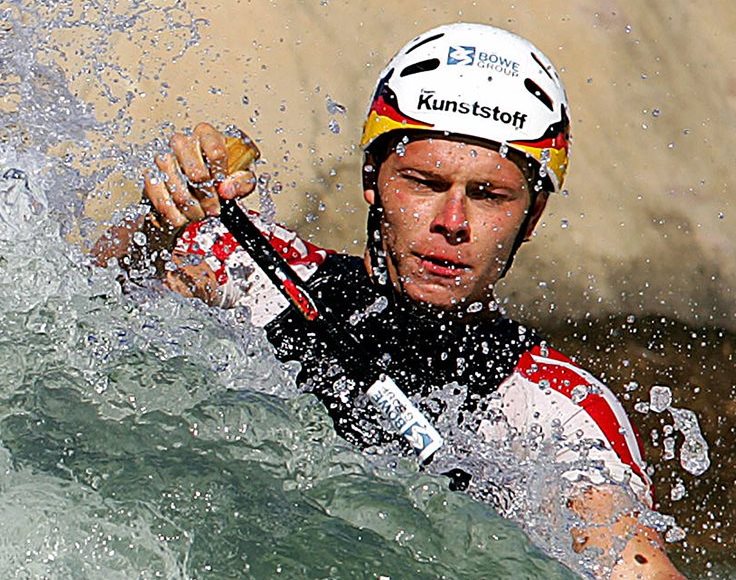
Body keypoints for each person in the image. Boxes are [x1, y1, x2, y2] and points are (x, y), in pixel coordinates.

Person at [94, 22, 684, 578]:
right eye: (425, 184)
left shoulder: (557, 413)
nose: (452, 223)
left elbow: (633, 561)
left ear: (531, 217)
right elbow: (83, 291)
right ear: (371, 179)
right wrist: (161, 215)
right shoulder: (261, 276)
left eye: (488, 196)